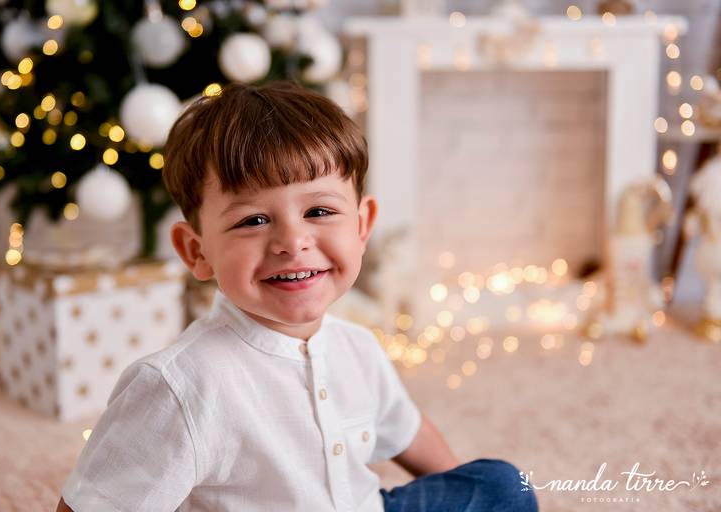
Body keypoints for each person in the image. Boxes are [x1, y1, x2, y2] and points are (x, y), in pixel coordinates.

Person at [56, 82, 538, 512]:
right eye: (253, 220)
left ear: (362, 226)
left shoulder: (357, 348)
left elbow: (409, 435)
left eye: (321, 210)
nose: (292, 241)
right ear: (196, 251)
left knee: (501, 485)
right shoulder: (180, 384)